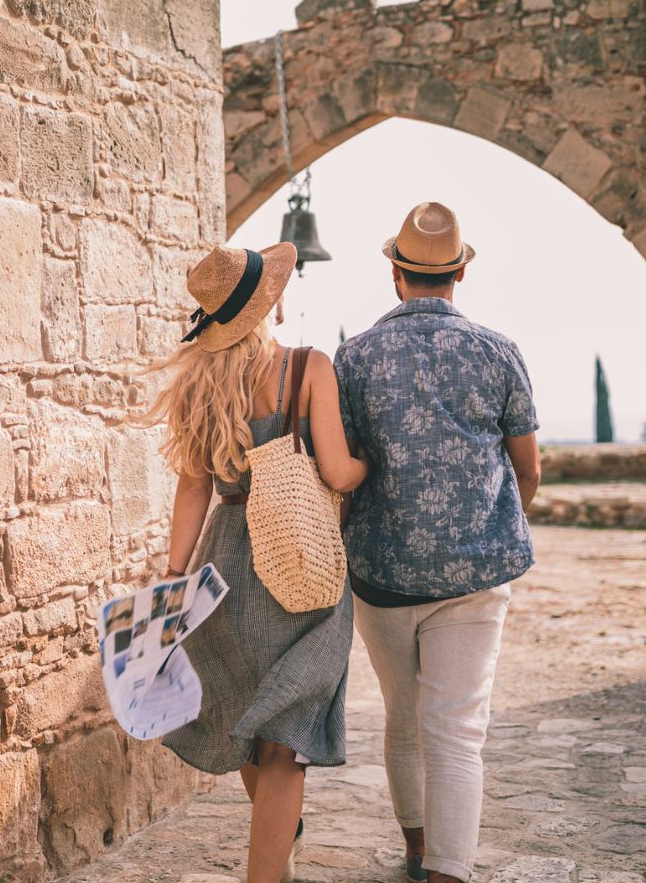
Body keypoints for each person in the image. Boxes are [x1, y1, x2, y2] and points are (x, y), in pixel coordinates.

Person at [146, 242, 370, 883]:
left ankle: (279, 838)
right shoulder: (308, 368)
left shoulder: (198, 386)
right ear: (269, 305)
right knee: (286, 736)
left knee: (247, 711)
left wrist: (174, 574)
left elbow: (192, 490)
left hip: (224, 565)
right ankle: (266, 871)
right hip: (302, 559)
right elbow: (336, 470)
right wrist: (368, 465)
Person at [334, 202, 542, 883]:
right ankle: (449, 871)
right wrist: (488, 530)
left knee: (404, 715)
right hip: (476, 576)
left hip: (382, 573)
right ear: (458, 275)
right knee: (456, 730)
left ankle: (418, 848)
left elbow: (340, 467)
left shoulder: (354, 356)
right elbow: (527, 467)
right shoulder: (499, 350)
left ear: (395, 273)